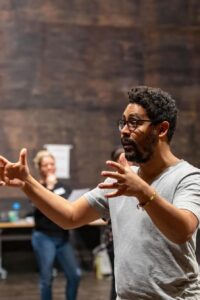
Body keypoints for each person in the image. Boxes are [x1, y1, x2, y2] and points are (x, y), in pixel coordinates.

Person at [1, 86, 200, 299]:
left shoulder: (188, 177)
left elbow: (182, 231)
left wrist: (144, 192)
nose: (124, 130)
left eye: (133, 123)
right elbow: (70, 216)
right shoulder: (120, 180)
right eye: (123, 123)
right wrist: (27, 182)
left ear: (161, 129)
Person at [30, 150, 81, 300]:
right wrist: (50, 188)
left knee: (75, 275)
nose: (49, 167)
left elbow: (67, 207)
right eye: (45, 165)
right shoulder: (36, 187)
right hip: (44, 237)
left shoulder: (64, 187)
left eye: (52, 164)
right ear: (40, 168)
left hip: (62, 237)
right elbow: (38, 207)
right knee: (47, 279)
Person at [101, 146, 125, 300]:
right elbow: (104, 215)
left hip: (130, 240)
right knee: (117, 280)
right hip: (114, 240)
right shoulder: (111, 183)